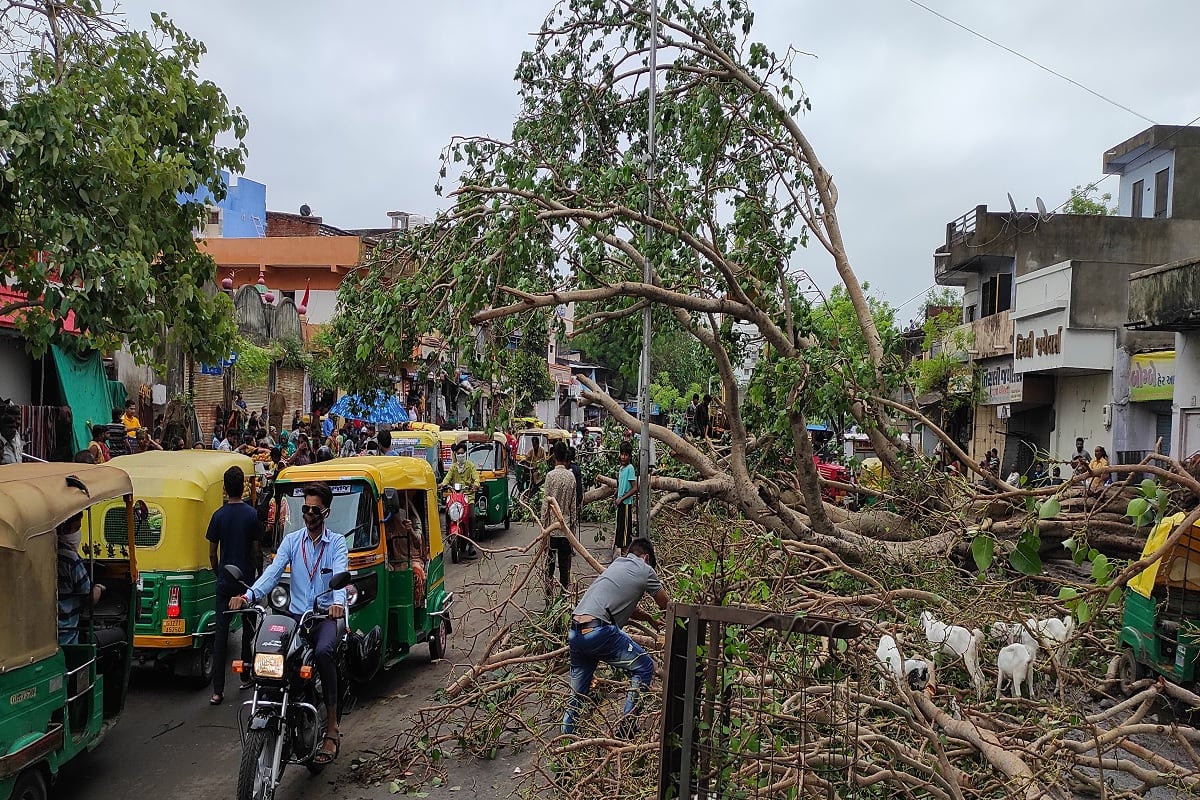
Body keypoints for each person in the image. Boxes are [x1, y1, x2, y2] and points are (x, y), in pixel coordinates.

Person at [231, 483, 347, 765]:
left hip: (322, 618)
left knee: (322, 654)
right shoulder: (292, 541)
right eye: (305, 508)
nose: (308, 514)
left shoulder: (337, 543)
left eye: (314, 510)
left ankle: (331, 728)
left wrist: (338, 604)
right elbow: (272, 573)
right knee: (271, 655)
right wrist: (247, 595)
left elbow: (342, 576)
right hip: (295, 618)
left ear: (326, 512)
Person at [562, 537, 669, 737]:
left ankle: (566, 744)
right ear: (646, 558)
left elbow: (621, 606)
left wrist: (648, 618)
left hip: (576, 631)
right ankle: (626, 729)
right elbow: (667, 606)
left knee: (576, 696)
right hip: (599, 631)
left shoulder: (616, 566)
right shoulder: (646, 570)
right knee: (644, 667)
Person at [207, 466, 261, 705]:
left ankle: (217, 691)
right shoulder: (251, 515)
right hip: (246, 582)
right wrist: (257, 577)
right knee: (249, 630)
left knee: (221, 635)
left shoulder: (218, 516)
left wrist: (219, 572)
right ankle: (245, 675)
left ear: (225, 488)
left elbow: (211, 552)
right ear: (244, 487)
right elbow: (257, 550)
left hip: (225, 582)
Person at [57, 513, 103, 645]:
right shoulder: (69, 558)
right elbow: (90, 598)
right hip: (65, 635)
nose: (78, 534)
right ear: (63, 529)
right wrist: (99, 588)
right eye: (76, 528)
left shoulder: (36, 553)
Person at [542, 444, 578, 598]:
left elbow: (545, 506)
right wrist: (573, 531)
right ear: (565, 457)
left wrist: (543, 530)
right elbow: (573, 506)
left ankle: (549, 598)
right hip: (565, 530)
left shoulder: (550, 476)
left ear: (554, 456)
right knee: (564, 569)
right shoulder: (571, 477)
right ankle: (563, 601)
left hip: (551, 530)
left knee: (549, 567)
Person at [383, 489, 427, 606]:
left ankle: (416, 607)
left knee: (416, 572)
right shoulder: (386, 519)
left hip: (412, 558)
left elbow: (418, 542)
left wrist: (410, 530)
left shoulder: (413, 519)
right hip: (394, 560)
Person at [613, 442, 638, 558]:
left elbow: (635, 488)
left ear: (630, 456)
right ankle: (623, 556)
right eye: (622, 454)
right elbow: (621, 484)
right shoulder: (621, 469)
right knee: (620, 531)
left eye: (626, 455)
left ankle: (625, 556)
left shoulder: (630, 468)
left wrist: (622, 498)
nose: (623, 457)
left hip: (626, 504)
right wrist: (617, 491)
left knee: (625, 534)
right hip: (620, 504)